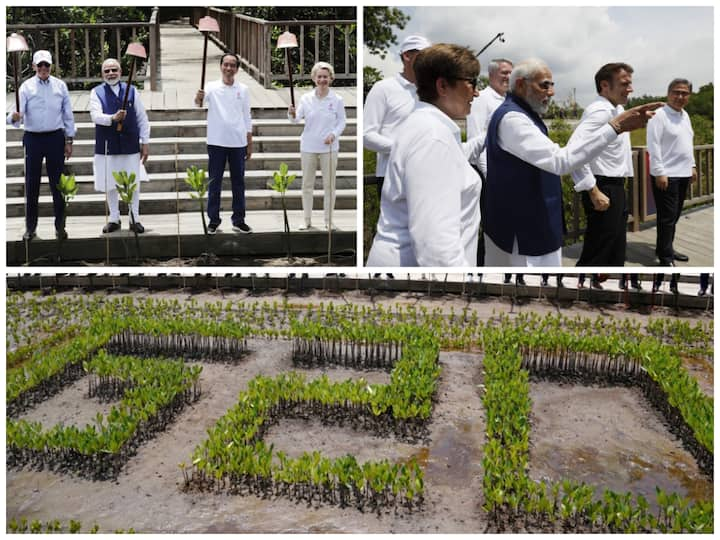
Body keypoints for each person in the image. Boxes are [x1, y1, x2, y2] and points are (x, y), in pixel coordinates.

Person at [483, 58, 661, 267]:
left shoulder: (522, 115)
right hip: (526, 227)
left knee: (612, 251)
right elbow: (562, 160)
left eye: (552, 85)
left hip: (533, 219)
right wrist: (615, 127)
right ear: (521, 84)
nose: (551, 92)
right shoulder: (514, 118)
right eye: (544, 85)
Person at [366, 43, 484, 267]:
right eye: (472, 82)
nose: (477, 92)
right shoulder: (432, 138)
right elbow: (435, 246)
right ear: (442, 85)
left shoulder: (429, 128)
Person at [572, 63, 637, 267]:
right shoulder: (599, 112)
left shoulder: (617, 109)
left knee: (615, 250)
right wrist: (593, 190)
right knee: (597, 252)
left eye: (630, 83)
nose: (630, 88)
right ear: (605, 86)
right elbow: (574, 150)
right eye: (624, 84)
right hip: (602, 186)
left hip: (615, 186)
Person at [6, 50, 75, 241]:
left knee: (58, 186)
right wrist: (15, 117)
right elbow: (13, 117)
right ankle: (30, 228)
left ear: (51, 66)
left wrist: (69, 140)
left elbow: (67, 114)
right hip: (33, 138)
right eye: (40, 65)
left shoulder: (60, 86)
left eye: (47, 65)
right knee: (32, 184)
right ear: (35, 66)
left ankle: (60, 226)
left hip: (55, 138)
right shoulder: (26, 87)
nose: (44, 68)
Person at [363, 35, 431, 202]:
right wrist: (405, 148)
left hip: (427, 174)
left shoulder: (432, 91)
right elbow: (366, 135)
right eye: (424, 56)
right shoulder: (383, 88)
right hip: (392, 176)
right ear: (407, 56)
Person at [194, 52, 253, 234]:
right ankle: (213, 220)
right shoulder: (211, 87)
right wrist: (199, 96)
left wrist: (249, 142)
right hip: (216, 141)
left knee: (238, 183)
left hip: (237, 142)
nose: (229, 68)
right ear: (221, 66)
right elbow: (198, 104)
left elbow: (247, 116)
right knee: (215, 182)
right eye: (226, 64)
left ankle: (239, 219)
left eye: (232, 65)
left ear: (237, 69)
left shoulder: (243, 89)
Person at [91, 58, 150, 234]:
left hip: (130, 143)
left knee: (133, 183)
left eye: (114, 70)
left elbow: (142, 117)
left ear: (120, 71)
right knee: (110, 182)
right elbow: (95, 115)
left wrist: (145, 142)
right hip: (107, 145)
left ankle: (135, 218)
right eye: (107, 70)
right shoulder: (96, 92)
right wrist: (112, 118)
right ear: (102, 74)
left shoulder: (132, 91)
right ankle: (114, 218)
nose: (111, 73)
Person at [288, 61, 346, 230]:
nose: (322, 80)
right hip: (308, 147)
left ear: (331, 78)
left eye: (325, 77)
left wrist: (333, 135)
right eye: (319, 76)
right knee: (307, 184)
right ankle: (306, 219)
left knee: (329, 186)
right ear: (314, 78)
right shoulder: (306, 98)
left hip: (329, 148)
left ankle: (328, 221)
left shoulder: (337, 99)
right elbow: (296, 119)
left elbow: (342, 121)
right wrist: (291, 113)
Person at [467, 58, 513, 266]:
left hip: (506, 175)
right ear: (491, 74)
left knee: (503, 228)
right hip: (488, 175)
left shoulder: (509, 100)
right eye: (504, 73)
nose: (508, 77)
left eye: (511, 73)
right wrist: (491, 176)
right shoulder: (482, 99)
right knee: (489, 228)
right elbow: (476, 140)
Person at [647, 78, 697, 265]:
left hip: (683, 173)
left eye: (684, 93)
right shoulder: (659, 115)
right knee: (667, 218)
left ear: (689, 96)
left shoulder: (685, 116)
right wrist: (659, 171)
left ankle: (667, 248)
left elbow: (687, 143)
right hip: (666, 175)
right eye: (676, 92)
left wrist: (692, 165)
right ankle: (665, 257)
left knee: (674, 215)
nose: (680, 96)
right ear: (668, 94)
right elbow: (654, 145)